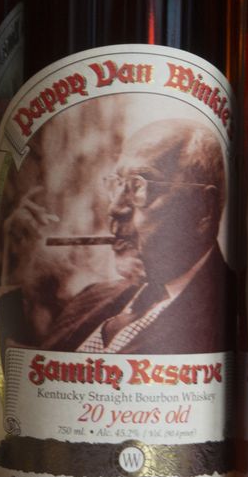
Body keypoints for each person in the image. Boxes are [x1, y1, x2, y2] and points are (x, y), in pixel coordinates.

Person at [28, 118, 231, 354]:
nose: (114, 208)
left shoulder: (228, 312)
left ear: (202, 208)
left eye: (140, 187)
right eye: (117, 185)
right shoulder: (92, 298)